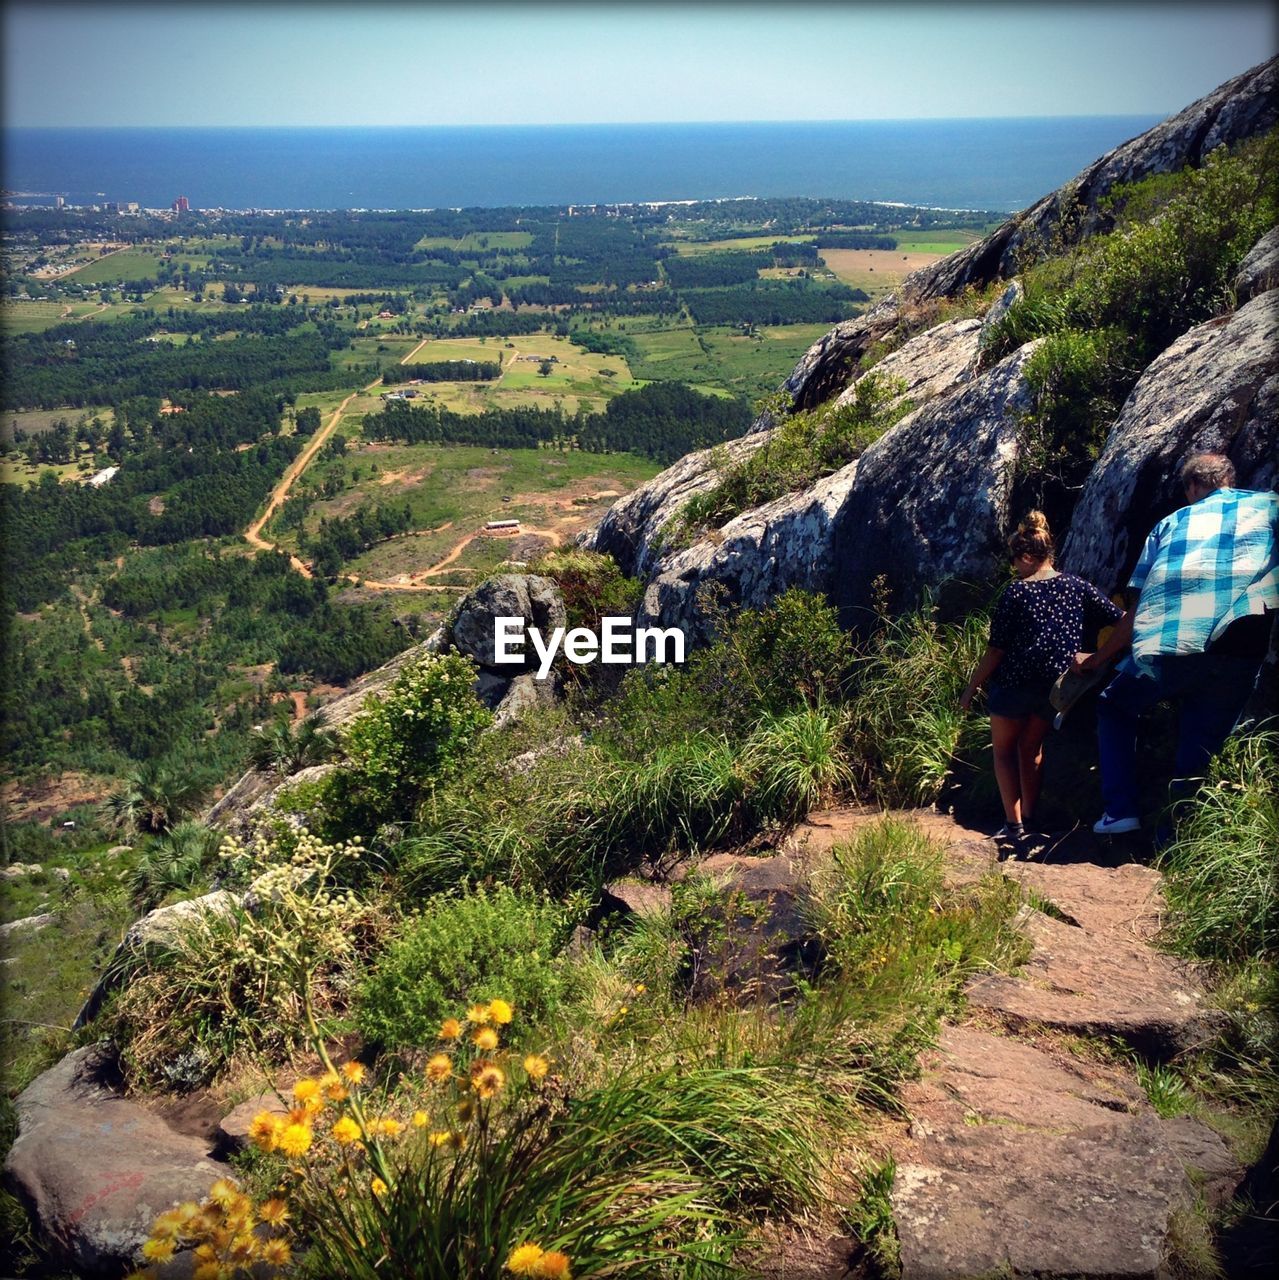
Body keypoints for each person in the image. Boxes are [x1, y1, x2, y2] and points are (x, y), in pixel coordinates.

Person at [1077, 453, 1278, 837]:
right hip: (1241, 649)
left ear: (1191, 488)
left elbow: (1141, 608)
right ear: (1229, 479)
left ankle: (1120, 812)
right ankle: (1175, 841)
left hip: (1171, 648)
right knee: (1199, 747)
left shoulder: (1172, 523)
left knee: (1114, 706)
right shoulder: (1269, 505)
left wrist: (1098, 658)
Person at [960, 511, 1125, 845]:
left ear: (1025, 557)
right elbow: (1122, 618)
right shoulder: (1076, 586)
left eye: (1015, 563)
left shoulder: (1016, 593)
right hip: (1055, 689)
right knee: (1031, 748)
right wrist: (1097, 658)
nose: (1014, 570)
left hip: (1013, 685)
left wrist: (970, 688)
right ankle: (1030, 818)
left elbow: (996, 652)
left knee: (1004, 751)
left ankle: (1013, 824)